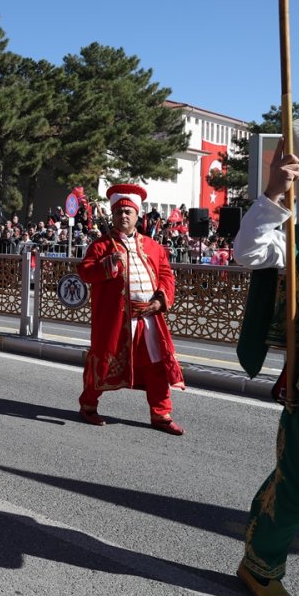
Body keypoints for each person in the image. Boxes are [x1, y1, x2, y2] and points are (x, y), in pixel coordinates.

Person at [232, 132, 299, 596]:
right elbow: (249, 252)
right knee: (297, 484)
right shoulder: (294, 238)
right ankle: (259, 566)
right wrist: (275, 192)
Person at [77, 184, 186, 434]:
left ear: (137, 215)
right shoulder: (101, 246)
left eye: (128, 212)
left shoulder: (153, 246)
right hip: (115, 319)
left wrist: (160, 300)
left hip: (148, 317)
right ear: (113, 216)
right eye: (118, 213)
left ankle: (161, 413)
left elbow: (167, 275)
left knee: (156, 364)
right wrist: (107, 265)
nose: (123, 216)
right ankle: (88, 405)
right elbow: (85, 272)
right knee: (104, 362)